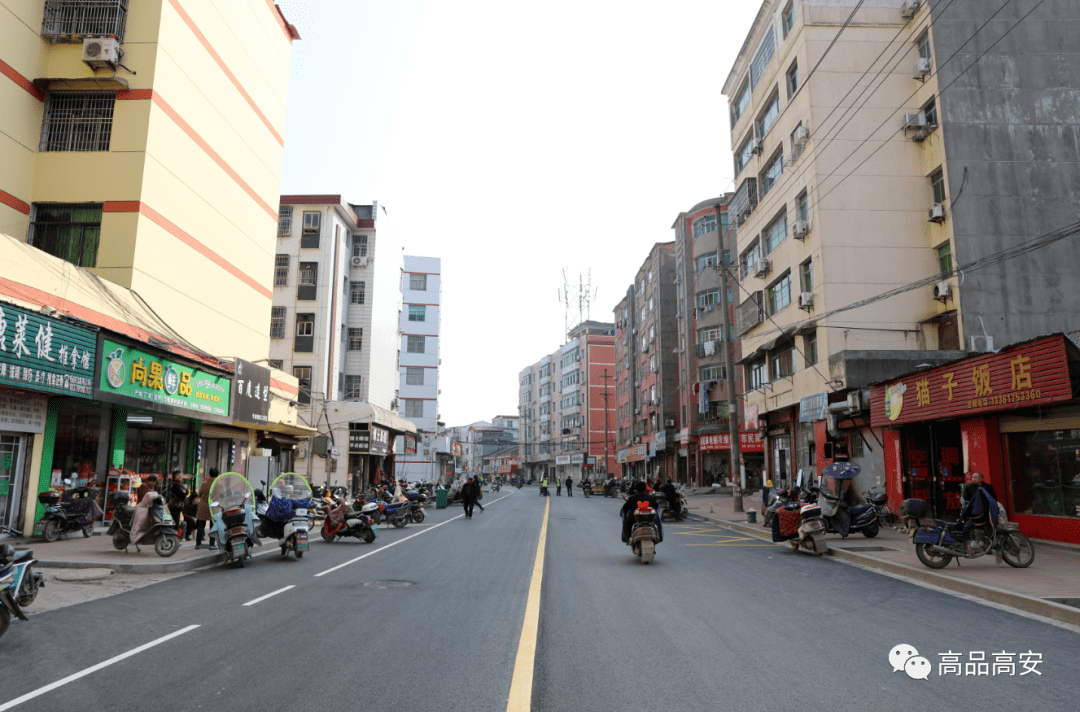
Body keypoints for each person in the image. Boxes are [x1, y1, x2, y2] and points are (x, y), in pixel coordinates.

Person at [195, 468, 219, 550]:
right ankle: (212, 544)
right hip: (214, 508)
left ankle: (198, 544)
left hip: (203, 507)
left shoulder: (204, 483)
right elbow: (223, 496)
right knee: (213, 527)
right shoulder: (219, 484)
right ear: (218, 474)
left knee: (201, 526)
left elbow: (200, 495)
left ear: (209, 474)